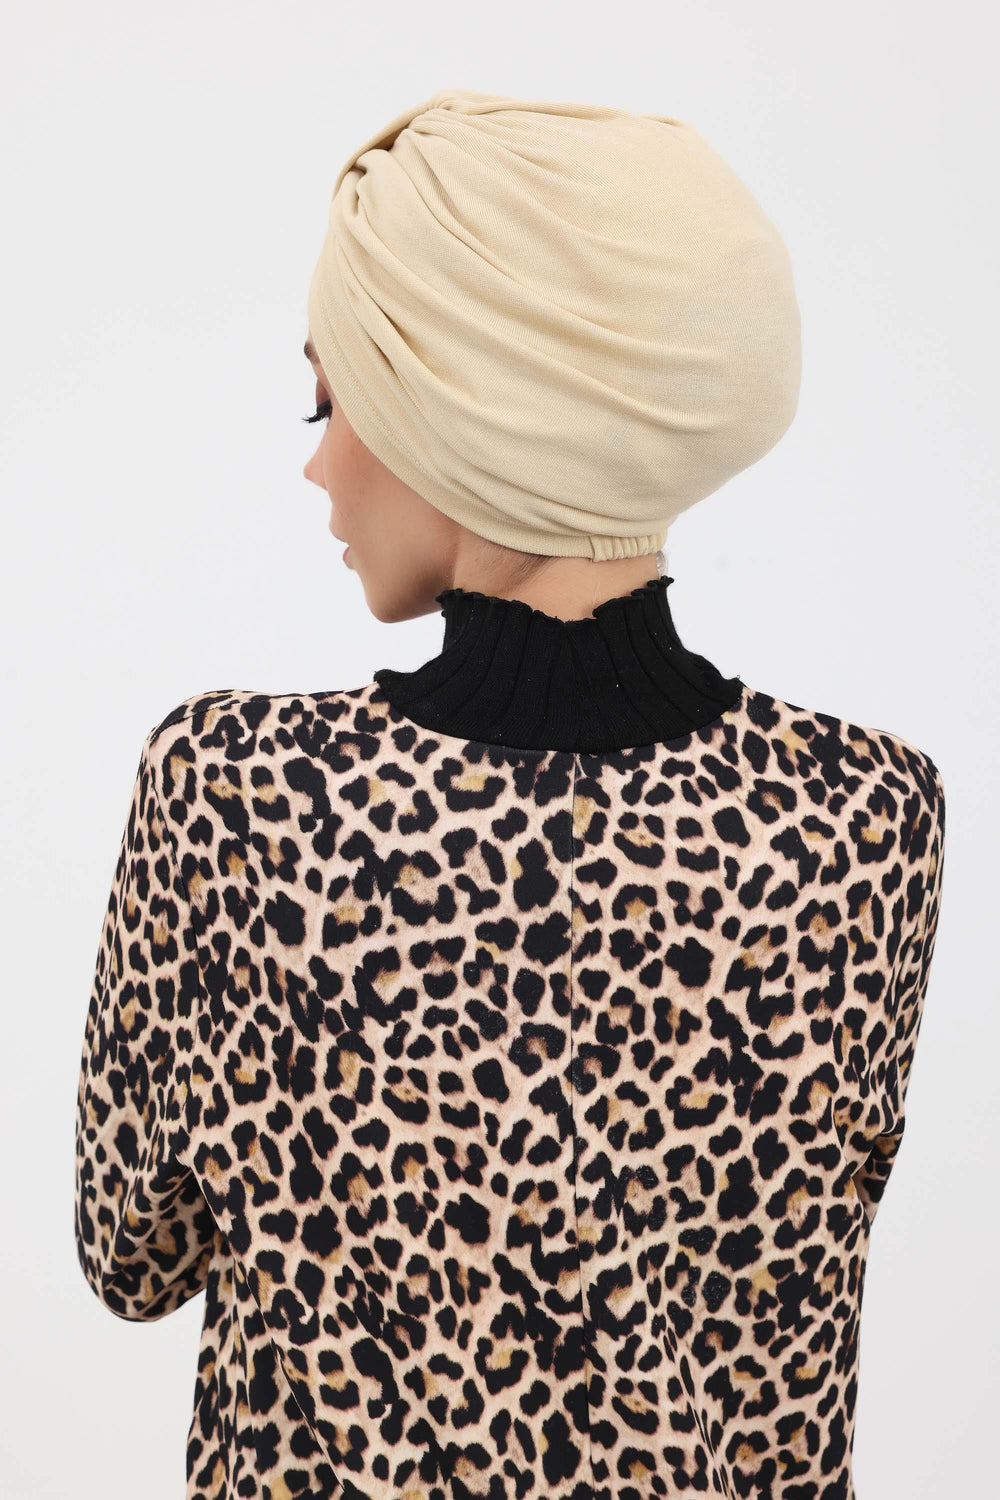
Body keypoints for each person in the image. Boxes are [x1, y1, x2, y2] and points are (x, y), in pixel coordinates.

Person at [74, 90, 945, 1500]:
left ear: (453, 411)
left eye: (333, 395)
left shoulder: (236, 796)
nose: (317, 459)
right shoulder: (863, 820)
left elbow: (133, 1257)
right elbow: (788, 1378)